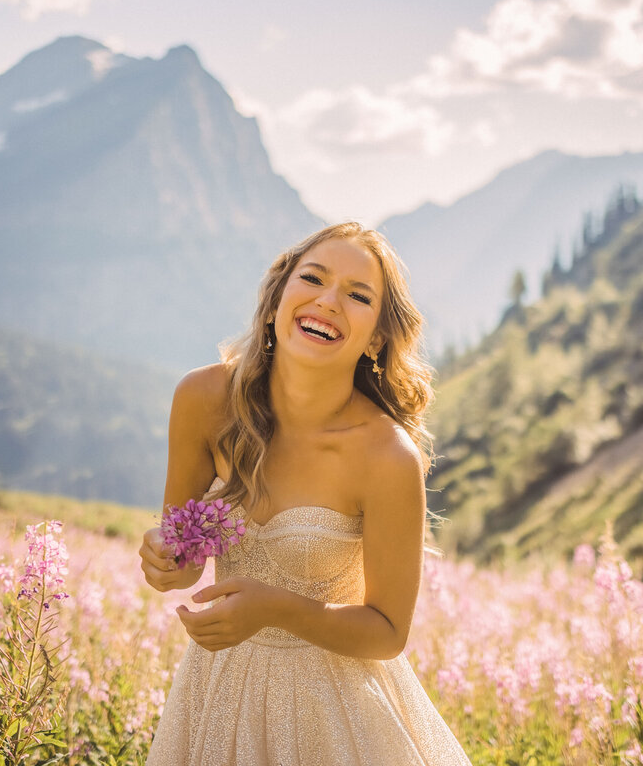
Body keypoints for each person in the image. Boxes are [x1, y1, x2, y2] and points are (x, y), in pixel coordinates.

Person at [139, 222, 471, 764]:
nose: (329, 300)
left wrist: (276, 609)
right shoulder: (202, 399)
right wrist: (161, 555)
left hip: (338, 712)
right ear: (275, 303)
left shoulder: (388, 457)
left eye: (358, 295)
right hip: (217, 694)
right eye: (313, 278)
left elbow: (387, 633)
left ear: (378, 340)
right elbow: (181, 557)